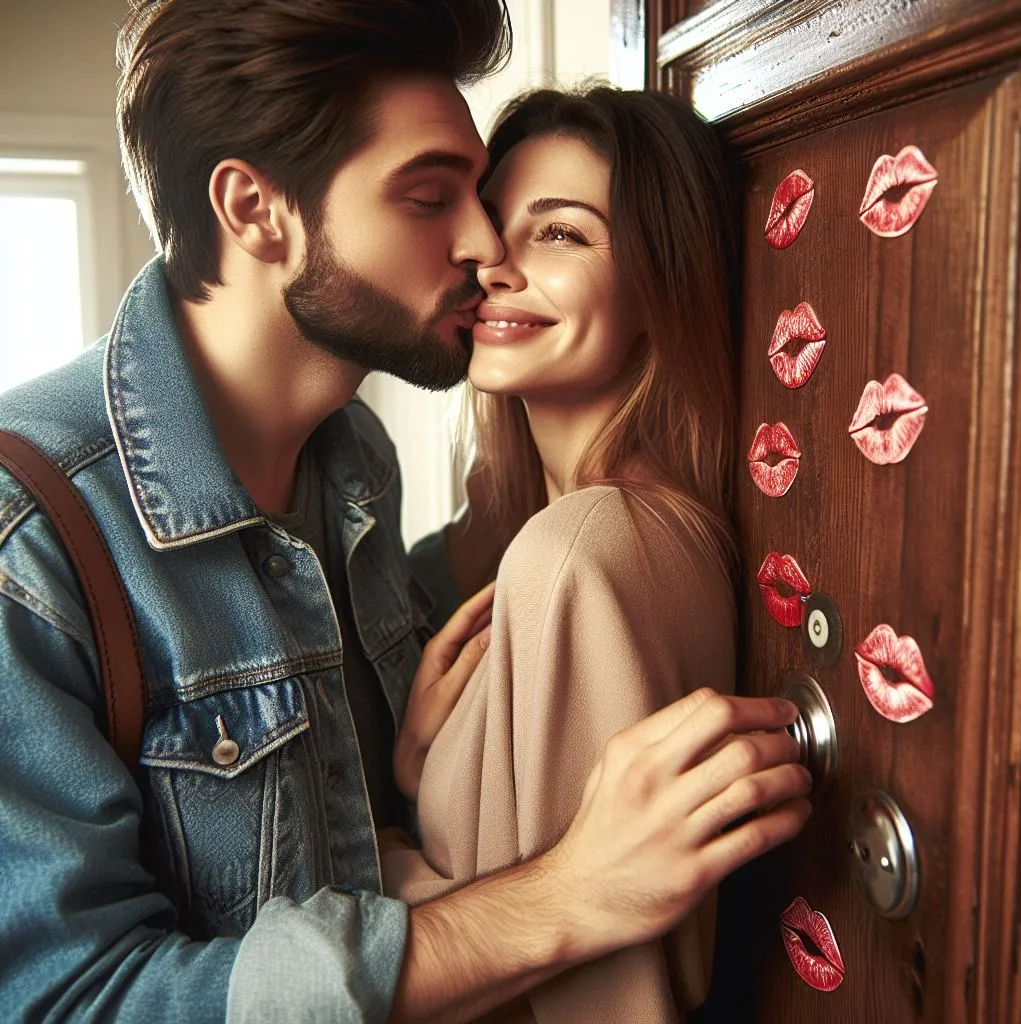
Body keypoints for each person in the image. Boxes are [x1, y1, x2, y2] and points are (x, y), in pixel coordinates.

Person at [0, 3, 812, 1022]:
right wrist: (562, 895)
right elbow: (66, 999)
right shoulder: (26, 540)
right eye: (433, 197)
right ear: (255, 209)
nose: (481, 245)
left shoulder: (355, 476)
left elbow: (354, 849)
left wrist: (405, 784)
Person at [382, 86, 766, 1022]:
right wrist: (420, 767)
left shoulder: (587, 548)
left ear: (657, 281)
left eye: (561, 234)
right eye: (492, 228)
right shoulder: (564, 540)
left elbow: (597, 987)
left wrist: (390, 874)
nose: (496, 269)